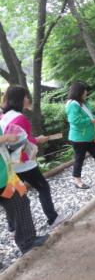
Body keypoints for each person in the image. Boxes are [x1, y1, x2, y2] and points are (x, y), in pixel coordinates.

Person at [0, 86, 70, 229]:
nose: (28, 99)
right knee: (43, 187)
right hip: (24, 161)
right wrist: (38, 140)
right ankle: (53, 218)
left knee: (13, 193)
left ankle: (12, 225)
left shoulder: (4, 116)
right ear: (20, 99)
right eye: (26, 96)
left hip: (9, 164)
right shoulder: (20, 118)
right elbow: (22, 142)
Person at [0, 128, 49, 254]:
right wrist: (5, 138)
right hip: (4, 176)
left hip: (7, 175)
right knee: (20, 203)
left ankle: (27, 241)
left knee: (22, 202)